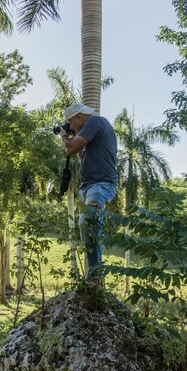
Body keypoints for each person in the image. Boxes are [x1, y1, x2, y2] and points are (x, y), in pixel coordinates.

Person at [59, 103, 117, 280]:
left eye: (71, 123)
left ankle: (95, 277)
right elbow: (80, 155)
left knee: (87, 221)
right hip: (89, 187)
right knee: (90, 229)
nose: (71, 127)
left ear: (78, 117)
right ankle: (94, 275)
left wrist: (64, 136)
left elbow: (69, 149)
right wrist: (74, 135)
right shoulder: (92, 130)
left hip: (101, 186)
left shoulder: (95, 122)